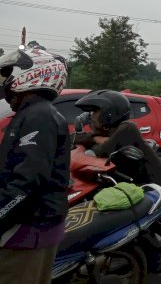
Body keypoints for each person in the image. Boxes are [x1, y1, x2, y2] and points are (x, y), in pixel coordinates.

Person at [0, 47, 70, 284]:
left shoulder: (39, 116)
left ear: (31, 75)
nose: (5, 82)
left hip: (29, 230)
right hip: (28, 225)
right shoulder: (32, 113)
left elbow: (27, 182)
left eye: (9, 73)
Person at [74, 90, 161, 195]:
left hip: (156, 191)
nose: (92, 116)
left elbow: (102, 151)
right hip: (133, 187)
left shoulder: (128, 128)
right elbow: (76, 138)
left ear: (109, 114)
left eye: (95, 112)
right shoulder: (108, 131)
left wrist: (94, 140)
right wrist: (95, 139)